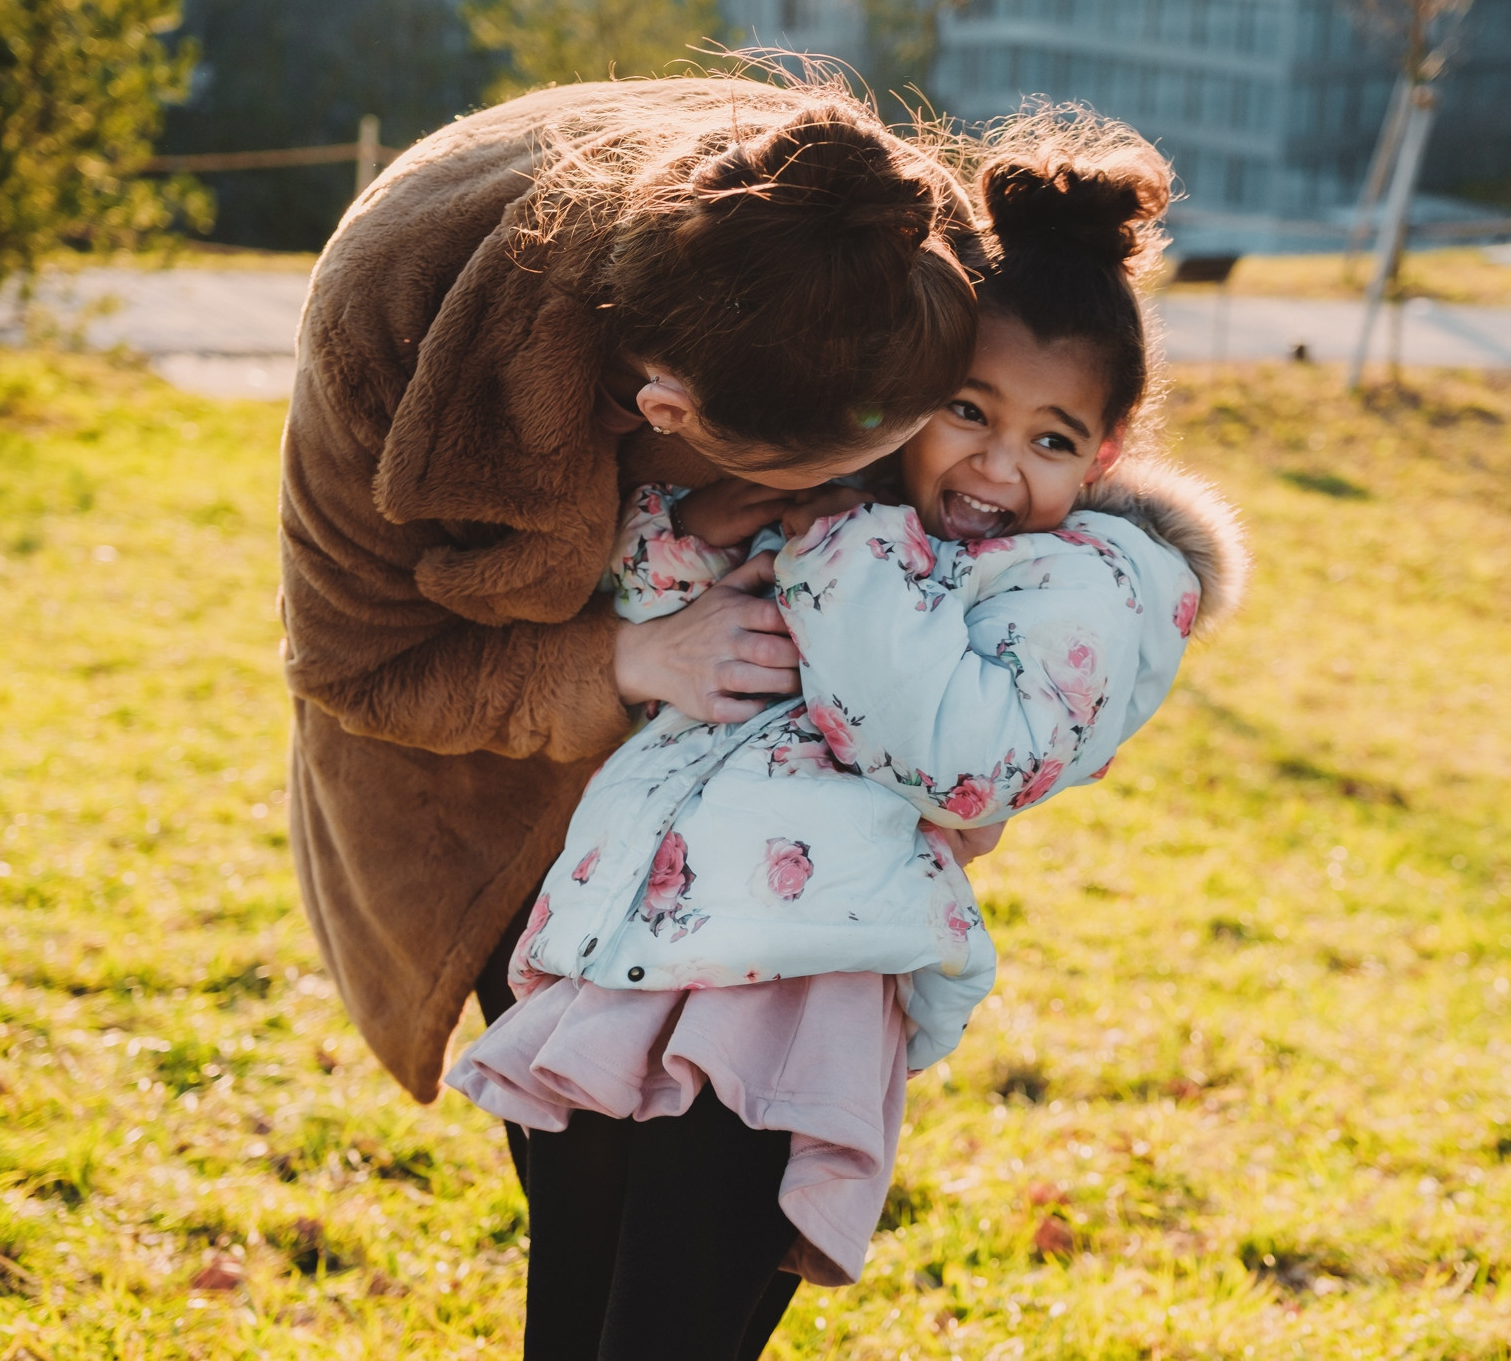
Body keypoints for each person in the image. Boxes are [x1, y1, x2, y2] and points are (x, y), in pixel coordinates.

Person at [445, 124, 1250, 1358]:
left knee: (668, 1330)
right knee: (569, 1319)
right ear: (910, 400)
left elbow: (956, 756)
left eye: (1047, 439)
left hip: (789, 988)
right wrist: (706, 519)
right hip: (625, 948)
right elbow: (639, 606)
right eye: (965, 412)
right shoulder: (847, 502)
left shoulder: (1089, 586)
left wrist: (836, 538)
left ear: (1104, 454)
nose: (993, 465)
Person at [278, 73, 993, 1351]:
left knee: (711, 1207)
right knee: (588, 1175)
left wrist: (981, 743)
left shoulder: (892, 241)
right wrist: (631, 660)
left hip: (800, 817)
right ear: (669, 419)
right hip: (491, 792)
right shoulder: (386, 313)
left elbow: (1011, 464)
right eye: (804, 483)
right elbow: (357, 662)